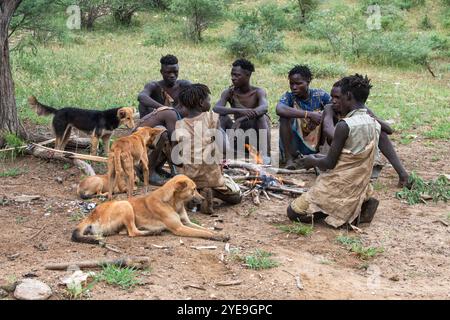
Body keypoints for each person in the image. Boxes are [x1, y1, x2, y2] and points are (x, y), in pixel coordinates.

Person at [287, 74, 381, 228]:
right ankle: (361, 202)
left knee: (293, 211)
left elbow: (329, 163)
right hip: (360, 183)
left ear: (348, 96)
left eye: (340, 96)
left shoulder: (345, 125)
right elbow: (349, 154)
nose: (335, 101)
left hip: (338, 183)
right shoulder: (374, 123)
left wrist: (311, 161)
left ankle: (337, 213)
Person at [321, 81, 410, 188]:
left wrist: (370, 118)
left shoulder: (359, 111)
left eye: (338, 97)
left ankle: (402, 173)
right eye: (332, 97)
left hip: (357, 157)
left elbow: (388, 129)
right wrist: (328, 114)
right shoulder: (330, 110)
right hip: (333, 158)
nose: (333, 101)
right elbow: (330, 134)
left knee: (380, 131)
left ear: (348, 98)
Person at [174, 83, 242, 213]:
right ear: (201, 102)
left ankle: (194, 194)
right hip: (211, 177)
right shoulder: (212, 118)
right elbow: (224, 148)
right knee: (236, 196)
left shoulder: (179, 125)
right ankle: (211, 192)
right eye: (208, 99)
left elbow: (177, 158)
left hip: (189, 178)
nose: (209, 102)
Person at [213, 59, 271, 164]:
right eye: (232, 75)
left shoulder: (258, 92)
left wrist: (242, 118)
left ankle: (266, 156)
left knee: (262, 117)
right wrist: (241, 111)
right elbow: (216, 109)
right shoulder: (229, 92)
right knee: (222, 118)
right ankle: (224, 153)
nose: (233, 78)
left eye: (237, 75)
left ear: (248, 75)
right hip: (238, 137)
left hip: (255, 137)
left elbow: (264, 108)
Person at [276, 65, 331, 169]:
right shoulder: (289, 97)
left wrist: (320, 116)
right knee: (284, 117)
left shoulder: (320, 95)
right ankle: (289, 159)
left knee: (328, 115)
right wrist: (309, 114)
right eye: (291, 83)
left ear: (308, 81)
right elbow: (279, 109)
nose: (294, 87)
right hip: (295, 145)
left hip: (315, 142)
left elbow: (335, 105)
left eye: (298, 83)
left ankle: (320, 156)